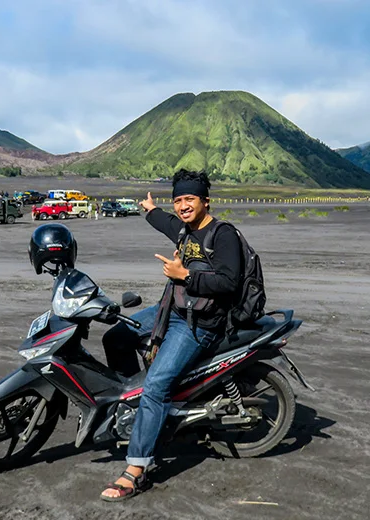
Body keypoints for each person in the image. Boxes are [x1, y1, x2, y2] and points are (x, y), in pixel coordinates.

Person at [100, 170, 242, 502]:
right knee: (117, 336)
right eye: (178, 200)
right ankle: (133, 413)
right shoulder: (183, 229)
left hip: (200, 324)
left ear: (206, 201)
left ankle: (136, 468)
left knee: (156, 386)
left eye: (189, 199)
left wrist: (185, 275)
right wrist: (149, 210)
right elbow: (164, 222)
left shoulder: (223, 235)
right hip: (172, 310)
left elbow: (229, 282)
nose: (182, 206)